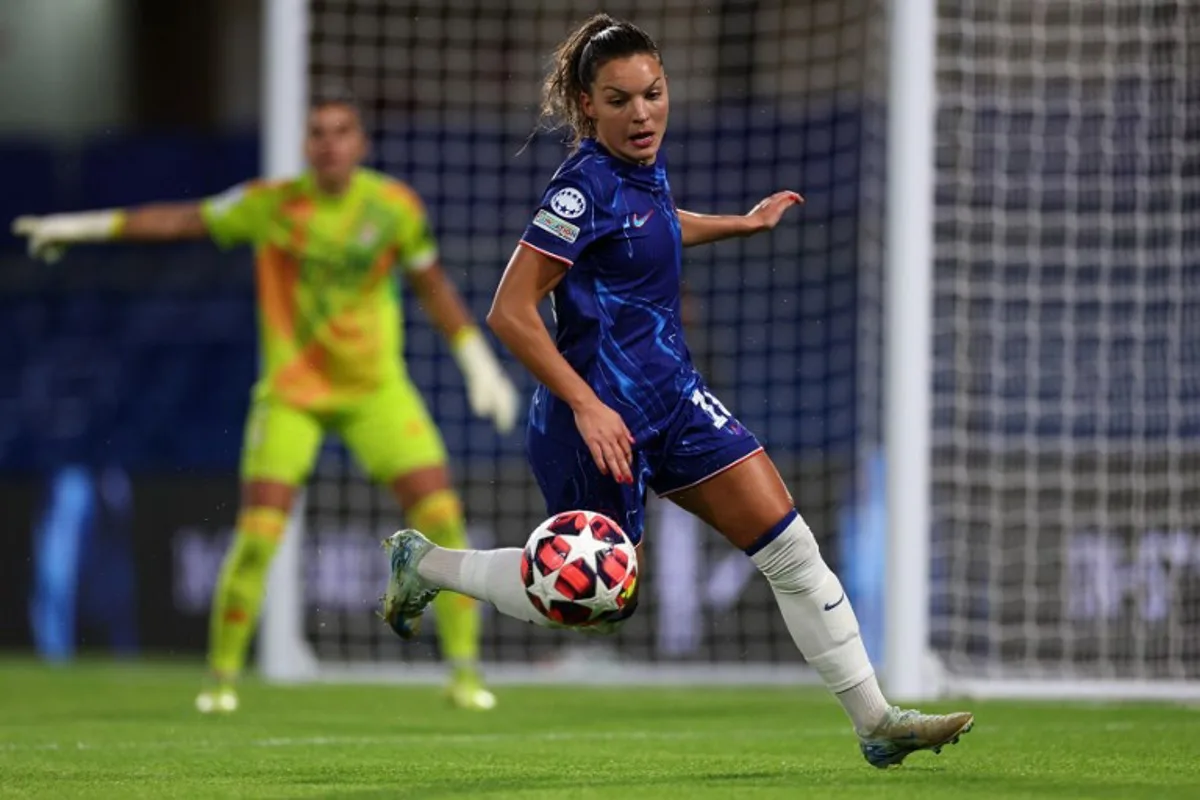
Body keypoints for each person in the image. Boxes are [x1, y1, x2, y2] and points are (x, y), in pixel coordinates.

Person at [378, 14, 974, 767]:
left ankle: (875, 721)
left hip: (676, 400)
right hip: (593, 420)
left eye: (653, 93)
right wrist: (589, 406)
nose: (642, 113)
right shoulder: (581, 186)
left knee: (790, 548)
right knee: (592, 605)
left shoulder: (641, 171)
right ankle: (425, 564)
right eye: (620, 99)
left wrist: (741, 224)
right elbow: (510, 310)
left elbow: (651, 224)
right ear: (587, 105)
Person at [12, 93, 516, 713]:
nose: (330, 142)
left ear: (361, 145)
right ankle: (220, 681)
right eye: (318, 133)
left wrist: (478, 363)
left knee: (443, 522)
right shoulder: (272, 206)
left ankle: (465, 673)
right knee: (256, 538)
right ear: (306, 146)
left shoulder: (394, 209)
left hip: (375, 392)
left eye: (342, 132)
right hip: (291, 396)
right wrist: (82, 227)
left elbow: (432, 285)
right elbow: (182, 221)